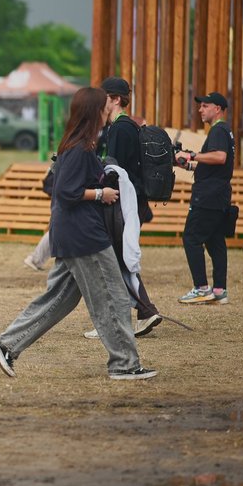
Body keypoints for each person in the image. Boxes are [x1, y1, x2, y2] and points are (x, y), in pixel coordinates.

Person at [0, 87, 157, 381]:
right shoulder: (79, 149)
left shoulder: (80, 145)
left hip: (72, 235)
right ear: (95, 112)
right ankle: (124, 364)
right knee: (113, 298)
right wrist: (101, 194)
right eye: (105, 107)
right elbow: (66, 192)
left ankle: (8, 344)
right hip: (84, 237)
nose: (109, 111)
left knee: (58, 300)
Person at [85, 76, 169, 337]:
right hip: (130, 202)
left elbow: (113, 170)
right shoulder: (123, 127)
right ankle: (144, 311)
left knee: (113, 262)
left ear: (115, 99)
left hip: (123, 204)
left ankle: (128, 316)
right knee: (117, 261)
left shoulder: (120, 129)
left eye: (104, 97)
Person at [175, 92, 235, 304]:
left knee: (191, 238)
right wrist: (188, 165)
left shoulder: (218, 130)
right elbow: (213, 165)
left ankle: (201, 288)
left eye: (205, 106)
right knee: (215, 240)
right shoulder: (224, 131)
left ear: (217, 109)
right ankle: (219, 290)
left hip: (208, 196)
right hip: (219, 195)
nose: (200, 109)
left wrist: (191, 155)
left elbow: (220, 157)